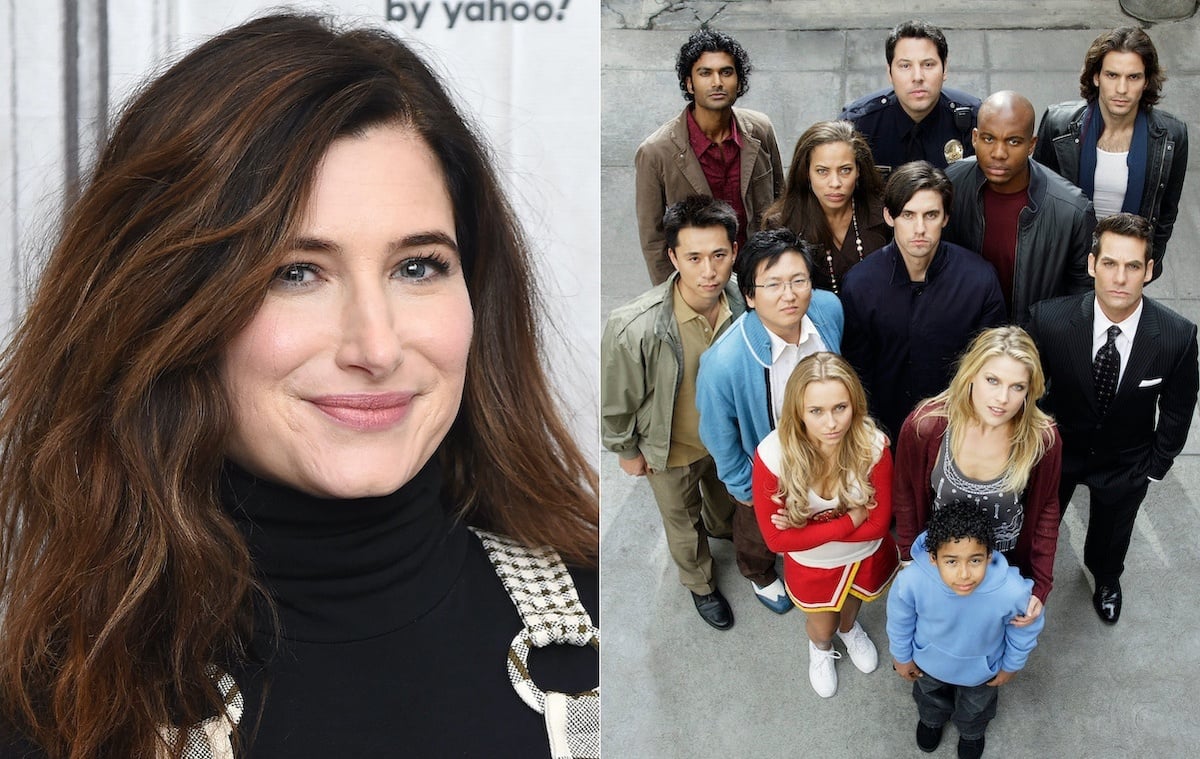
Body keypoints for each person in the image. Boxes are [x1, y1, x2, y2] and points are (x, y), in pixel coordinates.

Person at [0, 14, 598, 758]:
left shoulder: (611, 631)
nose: (376, 346)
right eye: (296, 272)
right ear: (167, 306)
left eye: (417, 267)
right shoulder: (54, 717)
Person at [1027, 212, 1198, 625]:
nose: (1120, 277)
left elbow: (1178, 408)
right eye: (1110, 263)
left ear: (1149, 271)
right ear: (1092, 265)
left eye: (1133, 266)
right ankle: (1029, 583)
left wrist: (1155, 467)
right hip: (1059, 450)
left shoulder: (1177, 336)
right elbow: (1025, 390)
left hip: (1126, 459)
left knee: (1112, 534)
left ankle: (1106, 580)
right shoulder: (1050, 320)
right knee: (1035, 526)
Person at [602, 196, 744, 630]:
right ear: (672, 258)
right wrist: (626, 450)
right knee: (683, 525)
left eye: (719, 255)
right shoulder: (636, 327)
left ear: (735, 252)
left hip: (726, 444)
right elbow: (617, 399)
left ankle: (727, 536)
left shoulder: (745, 302)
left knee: (725, 506)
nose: (709, 271)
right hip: (672, 449)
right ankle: (700, 584)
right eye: (694, 257)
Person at [697, 229, 844, 614]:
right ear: (749, 295)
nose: (790, 294)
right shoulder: (723, 363)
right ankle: (758, 573)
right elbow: (717, 436)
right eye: (773, 284)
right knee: (757, 532)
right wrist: (747, 489)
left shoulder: (829, 310)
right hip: (769, 468)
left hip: (826, 453)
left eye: (799, 280)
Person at [752, 352, 899, 697]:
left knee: (851, 605)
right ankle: (819, 649)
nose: (831, 423)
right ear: (798, 412)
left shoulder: (873, 445)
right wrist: (851, 519)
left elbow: (878, 527)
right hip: (813, 566)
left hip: (862, 555)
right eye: (816, 411)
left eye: (840, 408)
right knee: (822, 624)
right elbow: (776, 540)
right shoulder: (773, 456)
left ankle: (850, 631)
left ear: (854, 404)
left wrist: (804, 531)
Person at [893, 326, 1062, 622]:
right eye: (992, 380)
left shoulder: (1042, 439)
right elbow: (905, 493)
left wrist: (1041, 583)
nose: (1002, 398)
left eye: (1017, 387)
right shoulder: (926, 425)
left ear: (1030, 390)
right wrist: (909, 558)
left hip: (1005, 564)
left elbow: (1047, 507)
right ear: (971, 374)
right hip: (942, 561)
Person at [841, 161, 1006, 440]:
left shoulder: (979, 280)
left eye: (930, 215)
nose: (920, 228)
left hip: (959, 431)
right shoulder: (860, 283)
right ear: (889, 217)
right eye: (908, 215)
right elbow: (856, 373)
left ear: (945, 218)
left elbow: (992, 364)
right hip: (881, 434)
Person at [887, 503, 1045, 759]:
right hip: (928, 664)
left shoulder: (1012, 591)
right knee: (929, 697)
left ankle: (971, 733)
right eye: (951, 561)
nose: (964, 574)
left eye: (975, 560)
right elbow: (899, 620)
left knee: (976, 708)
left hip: (982, 672)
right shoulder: (912, 581)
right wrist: (901, 657)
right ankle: (931, 720)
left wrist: (1011, 666)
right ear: (933, 557)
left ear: (989, 555)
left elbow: (1025, 629)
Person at [1034, 27, 1188, 282]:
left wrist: (1147, 263)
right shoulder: (1058, 124)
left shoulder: (1172, 135)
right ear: (1096, 77)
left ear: (1147, 81)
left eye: (1133, 77)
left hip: (1125, 265)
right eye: (1112, 75)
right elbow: (1038, 199)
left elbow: (1166, 212)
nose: (1122, 88)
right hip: (1066, 259)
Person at [635, 28, 784, 284]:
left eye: (726, 72)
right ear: (689, 83)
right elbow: (654, 239)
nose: (717, 82)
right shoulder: (656, 151)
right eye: (705, 73)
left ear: (739, 80)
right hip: (700, 282)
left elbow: (782, 202)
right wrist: (673, 296)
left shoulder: (760, 129)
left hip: (759, 272)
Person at [943, 91, 1095, 324]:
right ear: (974, 138)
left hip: (1032, 344)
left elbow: (1081, 298)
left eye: (1013, 141)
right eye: (988, 139)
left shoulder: (1071, 210)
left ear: (1032, 145)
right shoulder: (951, 184)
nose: (999, 154)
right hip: (962, 333)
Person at [760, 121, 889, 294]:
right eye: (822, 171)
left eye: (845, 170)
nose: (835, 183)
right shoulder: (782, 225)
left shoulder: (886, 216)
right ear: (806, 173)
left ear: (858, 170)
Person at [840, 20, 980, 175]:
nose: (917, 77)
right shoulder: (860, 124)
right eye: (905, 66)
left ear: (945, 69)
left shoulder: (974, 119)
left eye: (928, 65)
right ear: (889, 72)